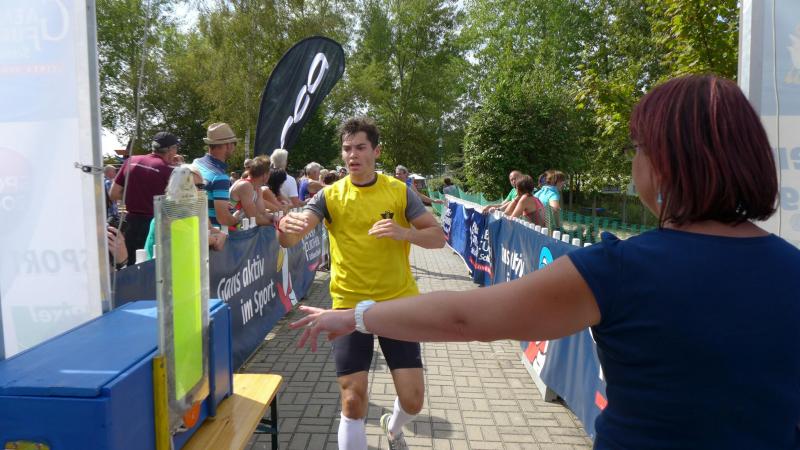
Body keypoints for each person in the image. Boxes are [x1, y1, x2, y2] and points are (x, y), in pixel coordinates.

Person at [288, 76, 800, 449]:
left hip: (369, 308)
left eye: (636, 148)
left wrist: (357, 316)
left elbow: (468, 318)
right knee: (353, 399)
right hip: (357, 301)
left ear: (666, 163)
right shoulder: (790, 268)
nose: (633, 163)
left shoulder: (619, 268)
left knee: (411, 396)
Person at [277, 117, 446, 450]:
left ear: (376, 151)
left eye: (360, 147)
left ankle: (393, 427)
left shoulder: (398, 191)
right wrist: (286, 229)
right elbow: (293, 236)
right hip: (348, 305)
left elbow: (437, 237)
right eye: (347, 148)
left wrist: (405, 233)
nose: (352, 155)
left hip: (397, 303)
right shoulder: (329, 195)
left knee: (413, 401)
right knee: (353, 400)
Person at [109, 131, 178, 259]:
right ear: (170, 150)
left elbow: (113, 194)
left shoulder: (131, 161)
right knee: (151, 266)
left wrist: (132, 196)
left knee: (127, 263)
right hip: (154, 226)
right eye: (175, 148)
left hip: (129, 223)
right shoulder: (170, 170)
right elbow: (177, 203)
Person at [143, 164, 227, 259]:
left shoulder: (197, 209)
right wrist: (213, 238)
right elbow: (189, 244)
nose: (201, 191)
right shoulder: (166, 215)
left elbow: (210, 231)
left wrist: (221, 234)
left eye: (202, 186)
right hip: (160, 266)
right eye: (197, 186)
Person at [193, 122, 239, 228]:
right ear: (228, 145)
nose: (234, 148)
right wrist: (237, 218)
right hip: (212, 234)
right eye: (234, 144)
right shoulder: (220, 177)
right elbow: (223, 219)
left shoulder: (196, 163)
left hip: (195, 230)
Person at [229, 155, 274, 229]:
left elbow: (262, 212)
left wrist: (275, 218)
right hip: (231, 229)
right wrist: (277, 223)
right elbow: (253, 217)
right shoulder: (245, 185)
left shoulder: (257, 188)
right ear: (265, 175)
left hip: (242, 227)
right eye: (269, 173)